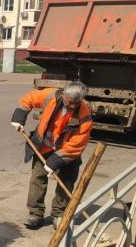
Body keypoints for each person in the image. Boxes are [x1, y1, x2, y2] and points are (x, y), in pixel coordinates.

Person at [10, 81, 92, 230]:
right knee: (37, 178)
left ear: (80, 100)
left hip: (67, 152)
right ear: (64, 94)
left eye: (74, 103)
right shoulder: (51, 96)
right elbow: (29, 99)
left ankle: (58, 214)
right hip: (44, 147)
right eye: (68, 100)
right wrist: (19, 117)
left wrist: (55, 161)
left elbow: (78, 142)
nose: (69, 105)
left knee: (66, 182)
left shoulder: (84, 113)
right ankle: (35, 214)